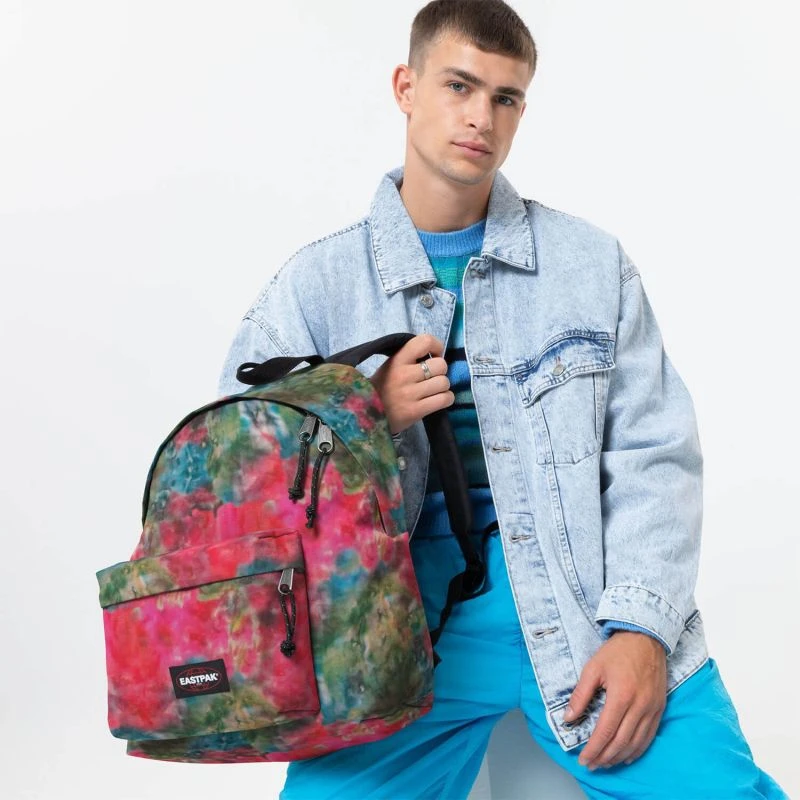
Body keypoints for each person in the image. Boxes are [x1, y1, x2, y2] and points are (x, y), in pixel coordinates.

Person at [217, 1, 788, 797]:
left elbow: (657, 454)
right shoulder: (315, 286)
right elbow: (233, 476)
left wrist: (643, 629)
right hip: (394, 640)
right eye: (459, 86)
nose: (481, 117)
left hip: (582, 613)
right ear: (406, 87)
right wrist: (360, 408)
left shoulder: (590, 265)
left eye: (505, 97)